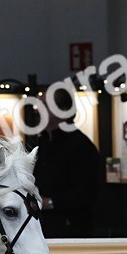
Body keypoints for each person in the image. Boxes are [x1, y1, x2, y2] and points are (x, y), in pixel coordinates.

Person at [33, 95, 105, 237]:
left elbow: (86, 192)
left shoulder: (81, 145)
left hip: (70, 230)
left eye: (45, 105)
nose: (37, 110)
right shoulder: (42, 143)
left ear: (63, 111)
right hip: (41, 227)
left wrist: (50, 202)